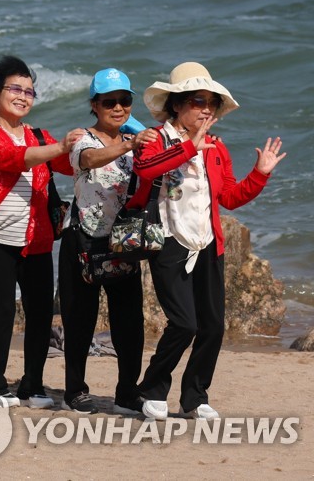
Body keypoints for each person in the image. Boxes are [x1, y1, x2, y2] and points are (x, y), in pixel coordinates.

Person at [133, 62, 285, 420]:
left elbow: (229, 197)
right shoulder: (155, 139)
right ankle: (152, 389)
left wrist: (259, 175)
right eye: (197, 101)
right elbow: (145, 169)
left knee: (213, 326)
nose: (206, 109)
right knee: (185, 324)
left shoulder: (217, 148)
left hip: (207, 246)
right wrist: (188, 147)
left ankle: (194, 397)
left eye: (211, 103)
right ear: (176, 105)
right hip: (169, 243)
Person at [0, 54, 84, 408]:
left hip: (37, 240)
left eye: (30, 91)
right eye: (15, 89)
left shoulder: (38, 135)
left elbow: (71, 164)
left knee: (41, 314)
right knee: (1, 311)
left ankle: (33, 385)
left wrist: (108, 145)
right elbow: (17, 160)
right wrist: (59, 147)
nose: (23, 96)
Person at [57, 68, 158, 414]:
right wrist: (129, 141)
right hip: (82, 239)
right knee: (79, 320)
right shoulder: (82, 139)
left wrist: (135, 135)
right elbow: (87, 161)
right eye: (109, 101)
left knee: (130, 323)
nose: (118, 107)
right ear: (95, 105)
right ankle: (75, 391)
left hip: (123, 241)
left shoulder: (136, 145)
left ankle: (127, 392)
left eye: (125, 100)